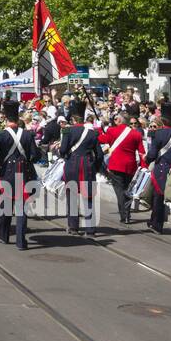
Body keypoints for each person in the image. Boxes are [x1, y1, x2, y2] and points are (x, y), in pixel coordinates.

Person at [0, 99, 39, 250]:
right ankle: (21, 242)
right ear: (17, 117)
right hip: (24, 173)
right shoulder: (27, 135)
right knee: (21, 209)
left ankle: (4, 235)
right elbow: (36, 155)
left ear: (6, 118)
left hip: (6, 173)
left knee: (6, 206)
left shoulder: (0, 135)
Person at [59, 98, 103, 237]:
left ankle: (73, 227)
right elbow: (100, 155)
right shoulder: (92, 133)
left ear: (72, 119)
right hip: (87, 165)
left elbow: (63, 151)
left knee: (72, 196)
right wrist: (94, 167)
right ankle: (90, 229)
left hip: (72, 164)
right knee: (88, 197)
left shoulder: (67, 131)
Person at [99, 111, 145, 225]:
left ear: (119, 120)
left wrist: (101, 129)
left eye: (115, 120)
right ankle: (127, 215)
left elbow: (101, 139)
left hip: (116, 165)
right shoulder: (136, 134)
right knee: (128, 191)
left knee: (120, 191)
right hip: (131, 166)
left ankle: (124, 215)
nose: (114, 122)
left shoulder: (112, 131)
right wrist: (144, 167)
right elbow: (142, 153)